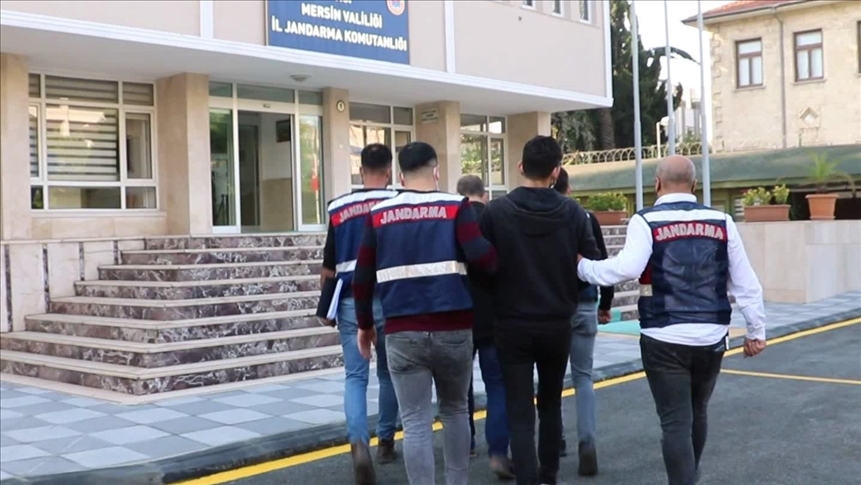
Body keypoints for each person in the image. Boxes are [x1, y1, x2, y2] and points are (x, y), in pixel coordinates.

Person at [577, 155, 767, 485]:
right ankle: (689, 474)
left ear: (656, 184)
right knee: (698, 411)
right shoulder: (722, 221)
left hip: (663, 335)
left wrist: (583, 267)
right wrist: (756, 330)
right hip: (711, 334)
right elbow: (745, 281)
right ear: (694, 185)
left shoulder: (646, 220)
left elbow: (627, 268)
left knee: (675, 421)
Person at [353, 141, 498, 485]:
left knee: (415, 422)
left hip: (401, 331)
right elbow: (483, 258)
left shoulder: (379, 215)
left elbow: (362, 277)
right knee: (455, 410)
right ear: (436, 171)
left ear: (400, 176)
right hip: (454, 328)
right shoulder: (456, 207)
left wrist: (365, 326)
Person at [480, 135, 600, 485]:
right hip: (557, 320)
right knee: (550, 402)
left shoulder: (496, 212)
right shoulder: (573, 212)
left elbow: (482, 266)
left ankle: (528, 478)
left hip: (511, 322)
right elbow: (590, 264)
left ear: (521, 167)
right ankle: (550, 474)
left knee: (519, 408)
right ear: (556, 171)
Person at [321, 143, 400, 485]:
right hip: (391, 299)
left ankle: (358, 444)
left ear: (361, 170)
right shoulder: (397, 203)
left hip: (351, 300)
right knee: (390, 374)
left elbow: (328, 265)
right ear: (389, 171)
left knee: (355, 377)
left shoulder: (339, 208)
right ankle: (386, 442)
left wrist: (326, 305)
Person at [552, 168, 614, 476]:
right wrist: (606, 302)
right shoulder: (586, 217)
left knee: (551, 377)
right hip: (586, 301)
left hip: (552, 305)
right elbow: (601, 260)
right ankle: (587, 442)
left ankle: (556, 439)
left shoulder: (543, 215)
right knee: (583, 376)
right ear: (570, 188)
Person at [457, 174, 516, 480]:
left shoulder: (453, 220)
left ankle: (466, 444)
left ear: (459, 195)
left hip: (460, 314)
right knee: (497, 386)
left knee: (460, 388)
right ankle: (498, 452)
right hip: (494, 316)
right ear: (485, 194)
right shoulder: (498, 220)